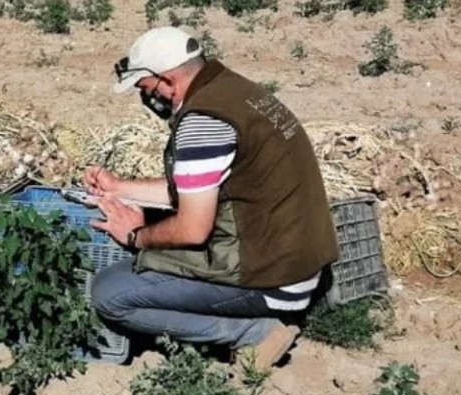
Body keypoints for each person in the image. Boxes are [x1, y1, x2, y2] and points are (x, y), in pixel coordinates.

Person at [86, 26, 340, 369]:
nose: (148, 100)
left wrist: (137, 236)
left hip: (271, 275)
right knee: (160, 236)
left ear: (168, 81)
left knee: (109, 293)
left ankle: (253, 334)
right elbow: (198, 188)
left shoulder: (203, 122)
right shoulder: (235, 92)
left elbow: (193, 228)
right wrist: (119, 187)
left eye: (146, 89)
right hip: (299, 258)